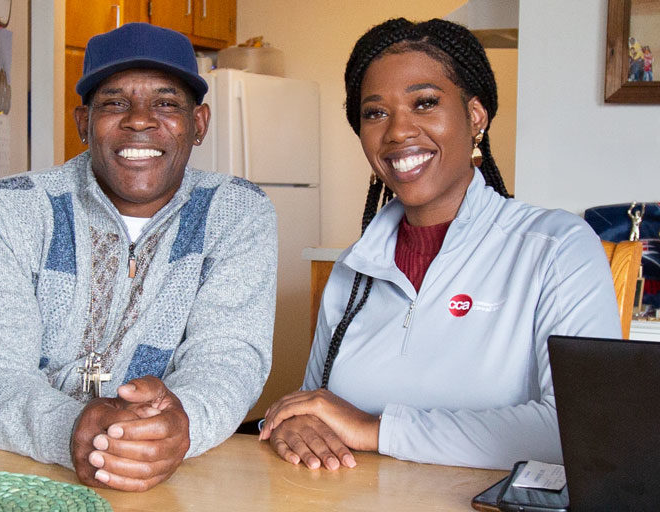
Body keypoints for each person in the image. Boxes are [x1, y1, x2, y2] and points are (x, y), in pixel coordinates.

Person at [0, 23, 277, 492]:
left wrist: (182, 422)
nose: (140, 119)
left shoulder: (236, 212)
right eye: (115, 102)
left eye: (166, 103)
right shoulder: (7, 208)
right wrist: (72, 428)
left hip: (153, 466)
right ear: (83, 123)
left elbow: (228, 355)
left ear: (198, 124)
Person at [259, 17, 621, 471]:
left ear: (475, 117)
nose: (397, 132)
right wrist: (294, 426)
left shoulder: (556, 248)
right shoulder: (354, 270)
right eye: (375, 113)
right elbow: (314, 407)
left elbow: (583, 428)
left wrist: (377, 430)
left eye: (425, 103)